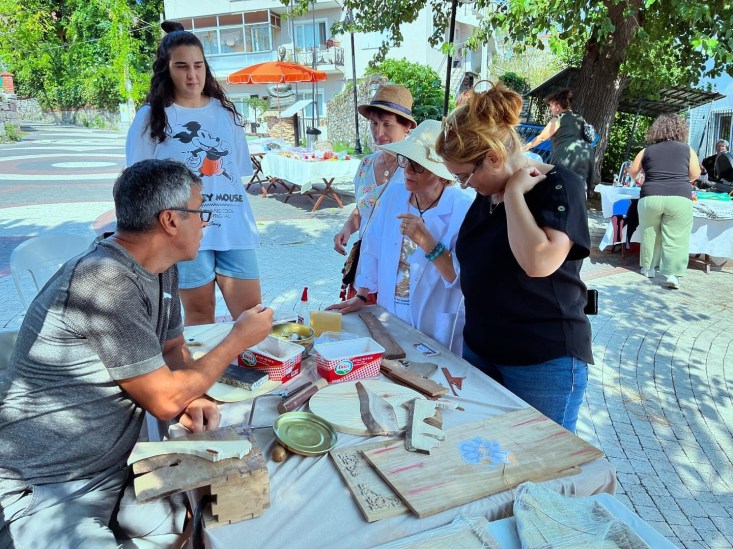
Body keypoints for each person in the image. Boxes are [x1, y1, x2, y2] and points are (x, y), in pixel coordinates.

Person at [0, 159, 273, 547]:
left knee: (208, 517)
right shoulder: (104, 282)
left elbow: (173, 347)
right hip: (45, 485)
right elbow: (164, 402)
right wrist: (237, 339)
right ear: (170, 221)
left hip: (110, 468)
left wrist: (192, 395)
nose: (205, 223)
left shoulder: (161, 266)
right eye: (201, 211)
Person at [436, 83, 593, 433]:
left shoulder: (560, 185)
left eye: (464, 176)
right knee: (482, 449)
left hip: (541, 360)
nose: (464, 185)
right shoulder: (487, 193)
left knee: (540, 458)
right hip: (481, 348)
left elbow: (539, 263)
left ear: (493, 158)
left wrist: (514, 195)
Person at [126, 20, 260, 326]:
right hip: (183, 234)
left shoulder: (226, 114)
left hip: (233, 228)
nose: (192, 75)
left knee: (251, 316)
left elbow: (236, 173)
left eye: (198, 65)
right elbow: (138, 183)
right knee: (200, 316)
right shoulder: (150, 117)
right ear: (166, 69)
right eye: (182, 66)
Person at [327, 120, 473, 353]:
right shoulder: (394, 195)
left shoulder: (464, 209)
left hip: (434, 320)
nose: (407, 171)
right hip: (390, 312)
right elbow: (373, 247)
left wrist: (428, 243)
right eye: (405, 161)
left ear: (442, 174)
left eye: (418, 166)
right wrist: (362, 295)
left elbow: (462, 279)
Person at [333, 84, 416, 300]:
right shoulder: (366, 165)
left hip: (399, 273)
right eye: (374, 123)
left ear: (406, 126)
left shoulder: (415, 171)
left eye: (387, 124)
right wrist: (347, 228)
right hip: (365, 269)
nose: (379, 133)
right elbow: (363, 208)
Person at [628, 114, 700, 289]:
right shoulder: (688, 150)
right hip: (679, 197)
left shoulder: (646, 150)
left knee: (649, 232)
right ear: (680, 130)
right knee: (677, 236)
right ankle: (673, 274)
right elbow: (695, 174)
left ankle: (648, 268)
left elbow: (632, 171)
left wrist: (641, 178)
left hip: (650, 195)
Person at [522, 88, 594, 193]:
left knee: (559, 186)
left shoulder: (558, 118)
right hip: (586, 157)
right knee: (578, 189)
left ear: (557, 106)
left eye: (551, 106)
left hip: (567, 157)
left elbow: (542, 137)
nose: (550, 109)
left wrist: (524, 147)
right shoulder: (580, 118)